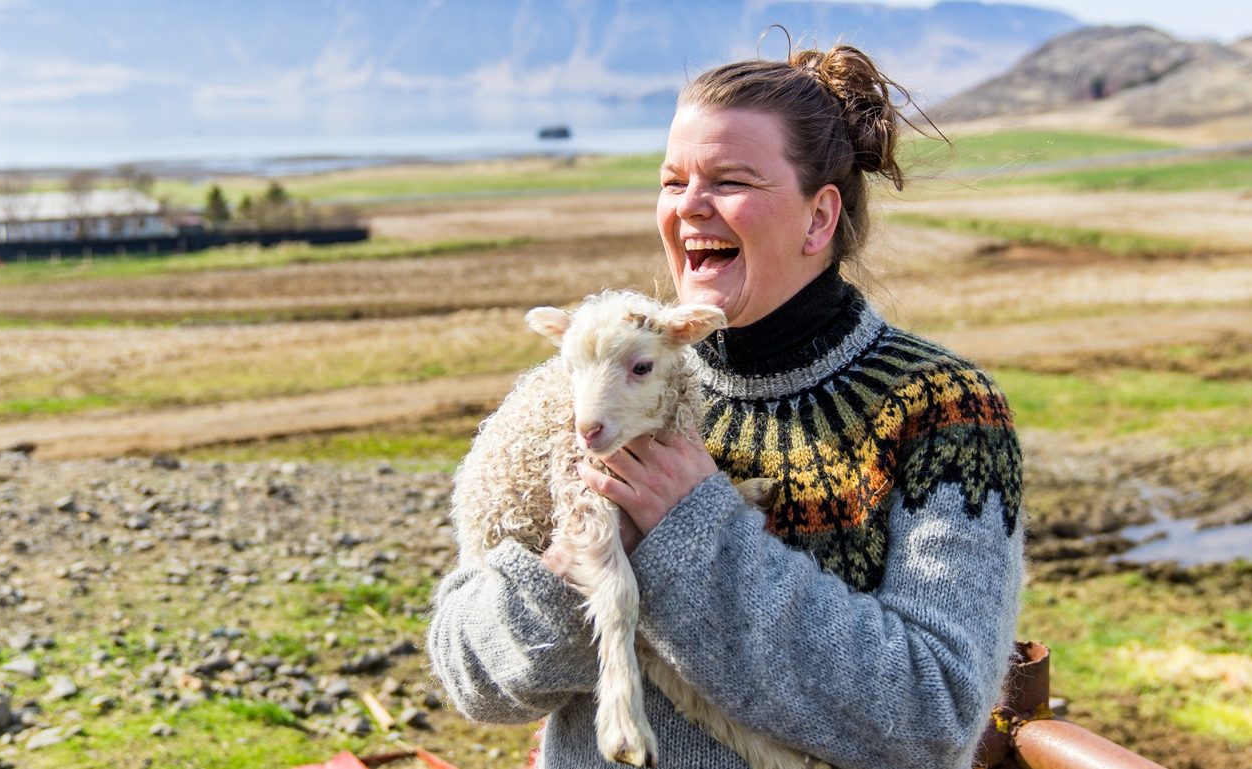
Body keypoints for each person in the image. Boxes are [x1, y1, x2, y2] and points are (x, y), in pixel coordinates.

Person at [427, 43, 1025, 769]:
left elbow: (932, 715)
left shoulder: (946, 411)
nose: (689, 207)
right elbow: (470, 675)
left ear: (818, 217)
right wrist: (583, 568)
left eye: (730, 180)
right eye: (672, 181)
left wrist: (691, 532)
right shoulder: (595, 391)